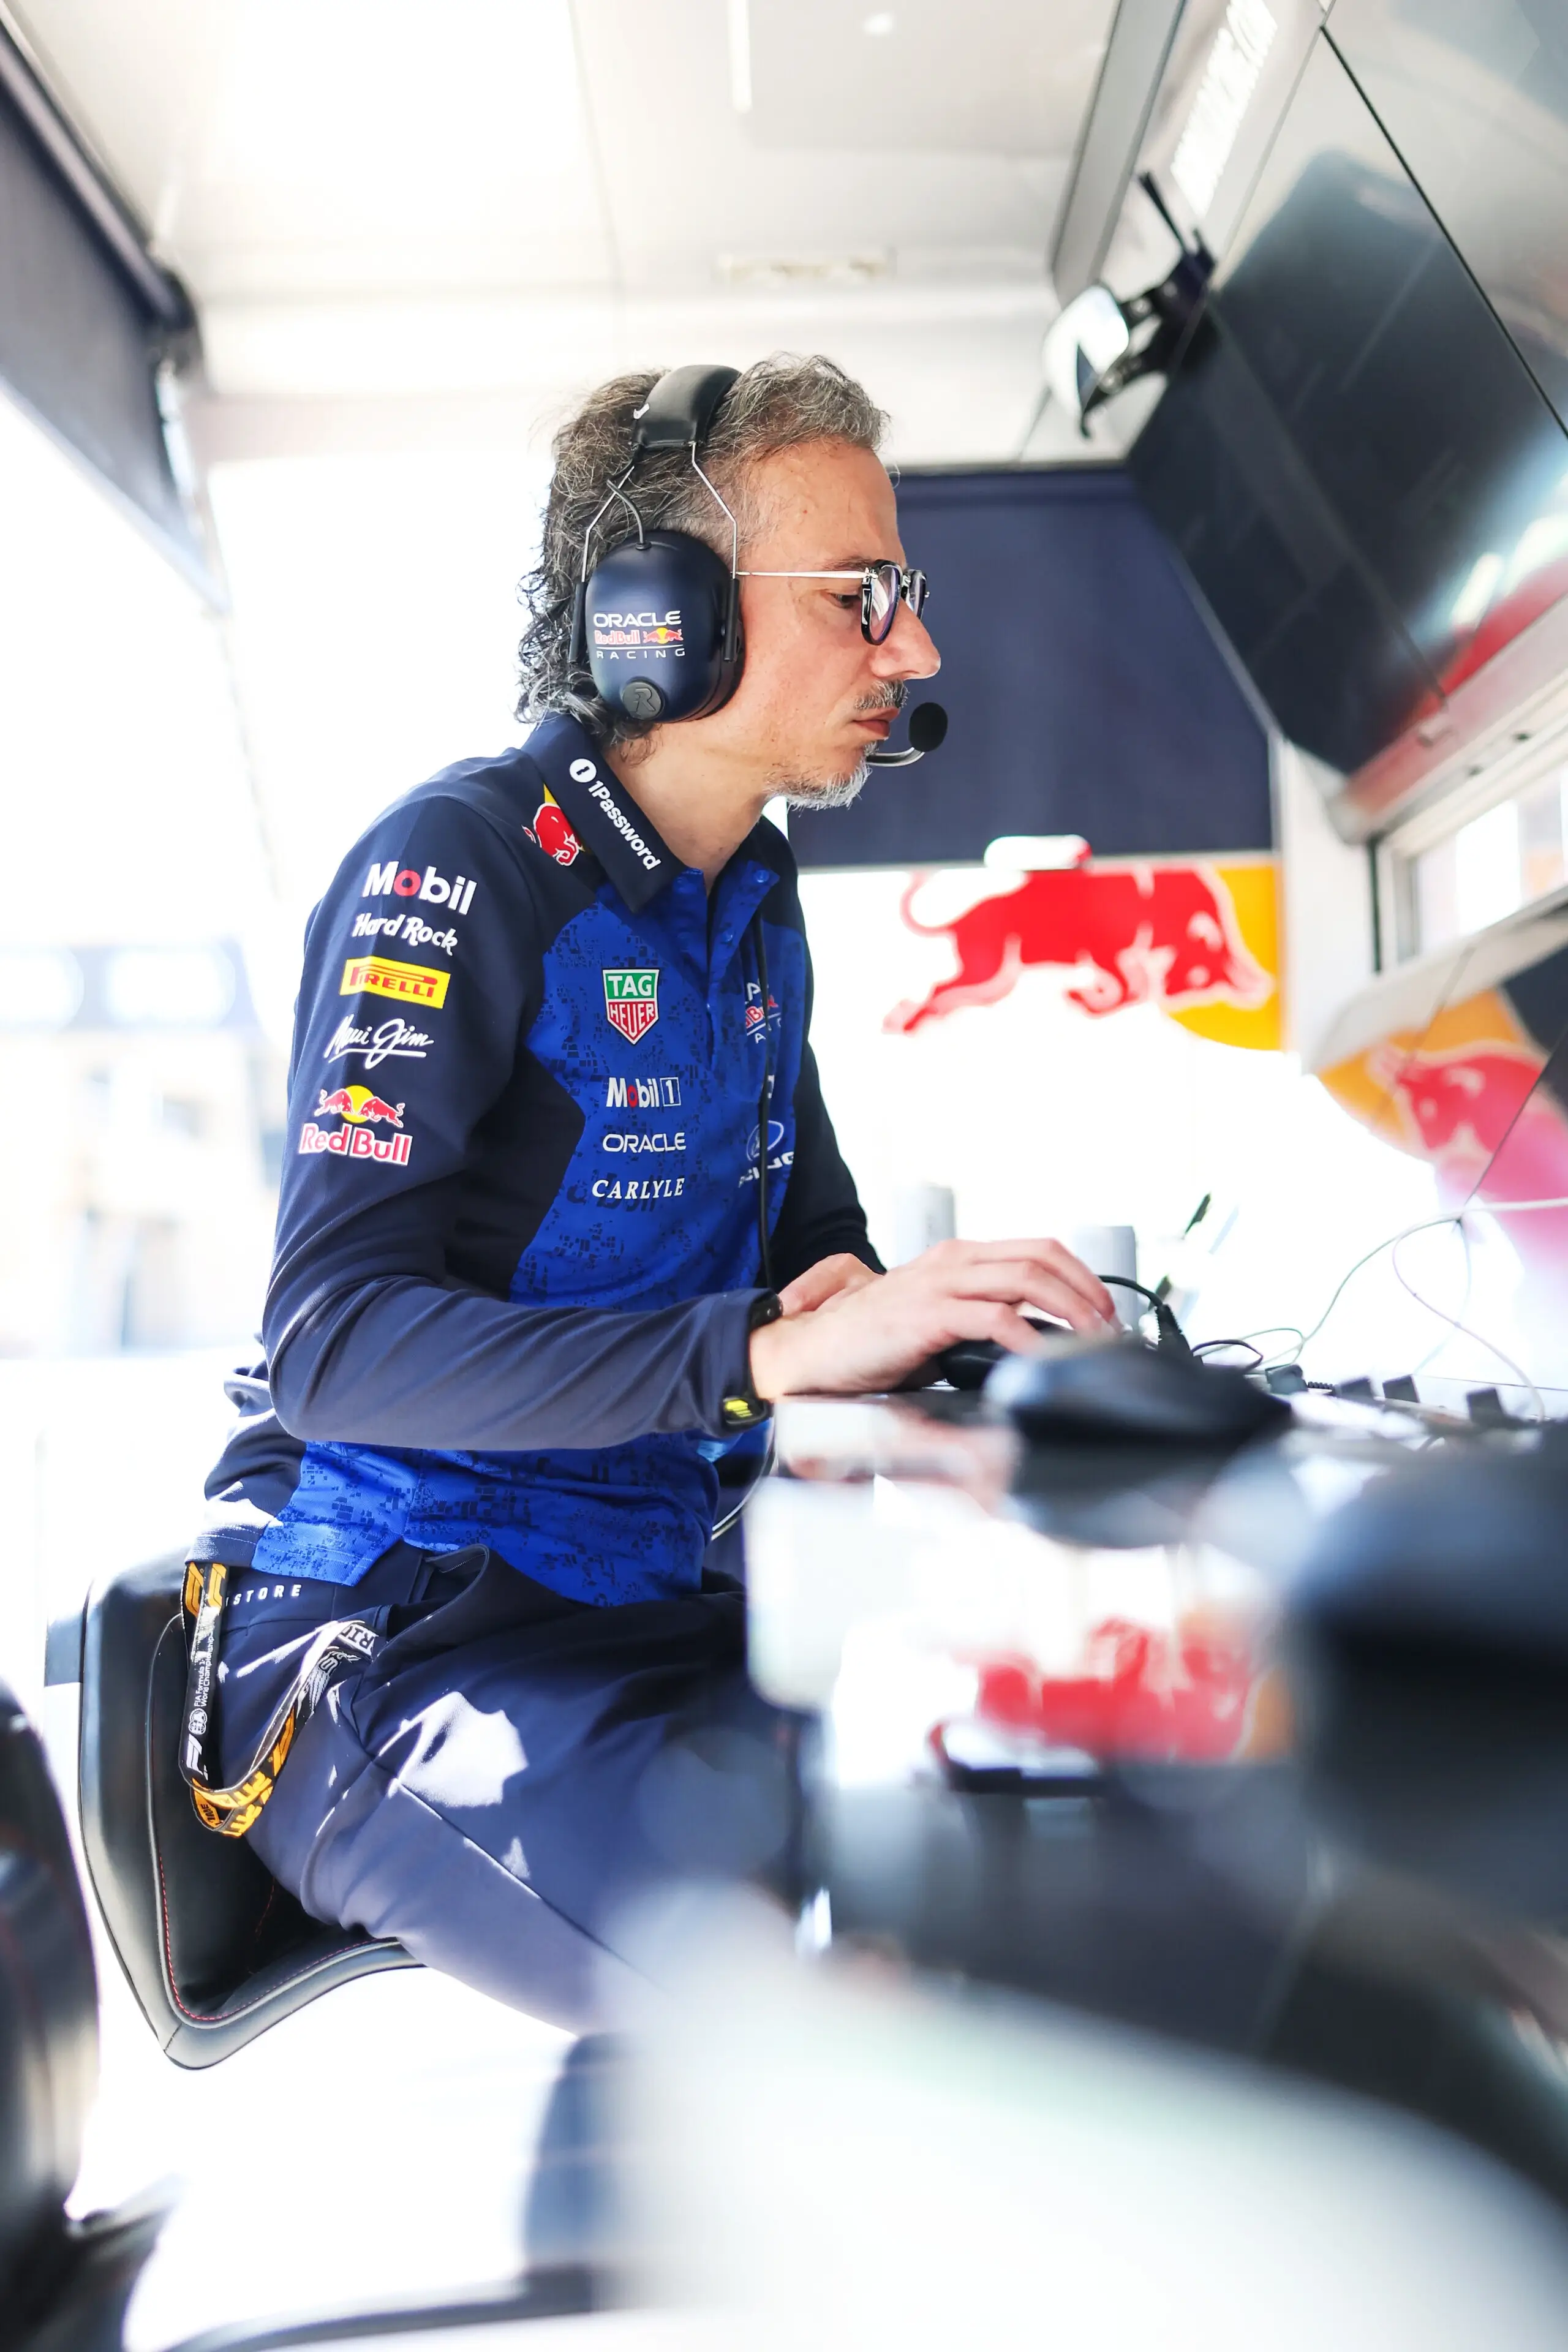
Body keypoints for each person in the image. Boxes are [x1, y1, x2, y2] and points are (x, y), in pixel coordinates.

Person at [191, 354, 1115, 2026]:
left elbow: (816, 1261)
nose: (914, 652)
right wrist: (757, 1350)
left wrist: (991, 1364)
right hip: (402, 1642)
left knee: (1061, 1835)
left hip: (674, 1604)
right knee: (853, 2003)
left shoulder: (750, 891)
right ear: (662, 617)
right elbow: (332, 1345)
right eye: (864, 596)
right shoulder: (456, 871)